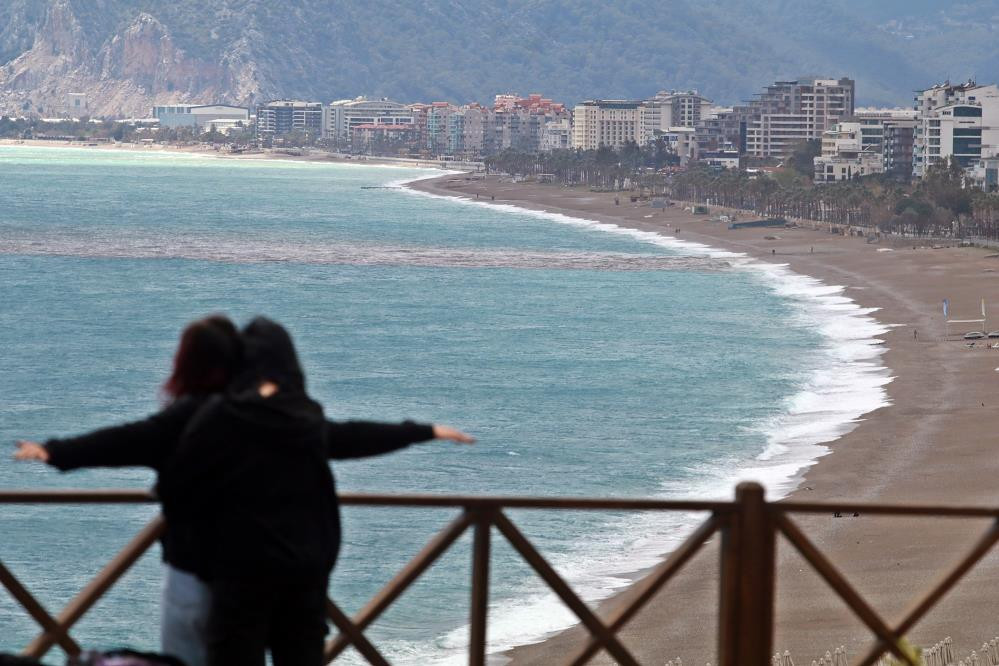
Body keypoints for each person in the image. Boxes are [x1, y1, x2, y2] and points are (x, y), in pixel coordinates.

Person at [157, 317, 474, 666]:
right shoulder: (300, 422)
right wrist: (424, 431)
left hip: (239, 575)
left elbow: (150, 464)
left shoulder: (219, 420)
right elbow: (352, 437)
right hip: (300, 575)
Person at [14, 315, 244, 666]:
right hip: (256, 573)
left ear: (187, 364)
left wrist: (54, 451)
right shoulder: (262, 416)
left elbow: (124, 441)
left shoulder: (187, 419)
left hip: (193, 570)